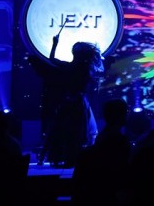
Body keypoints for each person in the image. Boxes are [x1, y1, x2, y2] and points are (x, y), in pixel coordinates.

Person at [35, 34, 106, 167]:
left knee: (61, 129)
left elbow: (52, 59)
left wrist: (55, 43)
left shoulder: (73, 67)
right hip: (78, 102)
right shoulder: (86, 68)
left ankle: (47, 158)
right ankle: (73, 158)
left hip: (71, 101)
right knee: (76, 131)